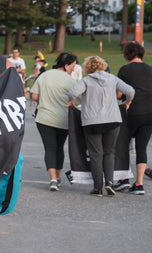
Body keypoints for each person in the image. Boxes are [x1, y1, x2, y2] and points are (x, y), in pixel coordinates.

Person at [67, 56, 134, 197]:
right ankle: (109, 183)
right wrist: (127, 101)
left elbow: (72, 92)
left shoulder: (86, 80)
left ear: (88, 67)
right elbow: (131, 91)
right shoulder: (112, 78)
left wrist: (72, 101)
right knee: (109, 153)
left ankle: (97, 187)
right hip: (113, 120)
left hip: (92, 122)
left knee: (96, 154)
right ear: (103, 65)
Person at [31, 52, 77, 191]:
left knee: (49, 148)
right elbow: (76, 101)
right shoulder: (70, 81)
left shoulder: (44, 75)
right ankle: (57, 177)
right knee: (59, 148)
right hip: (63, 120)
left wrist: (45, 102)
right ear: (66, 65)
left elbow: (34, 96)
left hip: (44, 118)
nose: (74, 69)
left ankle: (52, 180)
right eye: (73, 66)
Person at [114, 42, 152, 195]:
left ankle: (123, 179)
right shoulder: (150, 69)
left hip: (132, 112)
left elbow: (118, 94)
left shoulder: (125, 70)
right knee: (141, 148)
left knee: (122, 145)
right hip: (149, 113)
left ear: (127, 54)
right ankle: (139, 184)